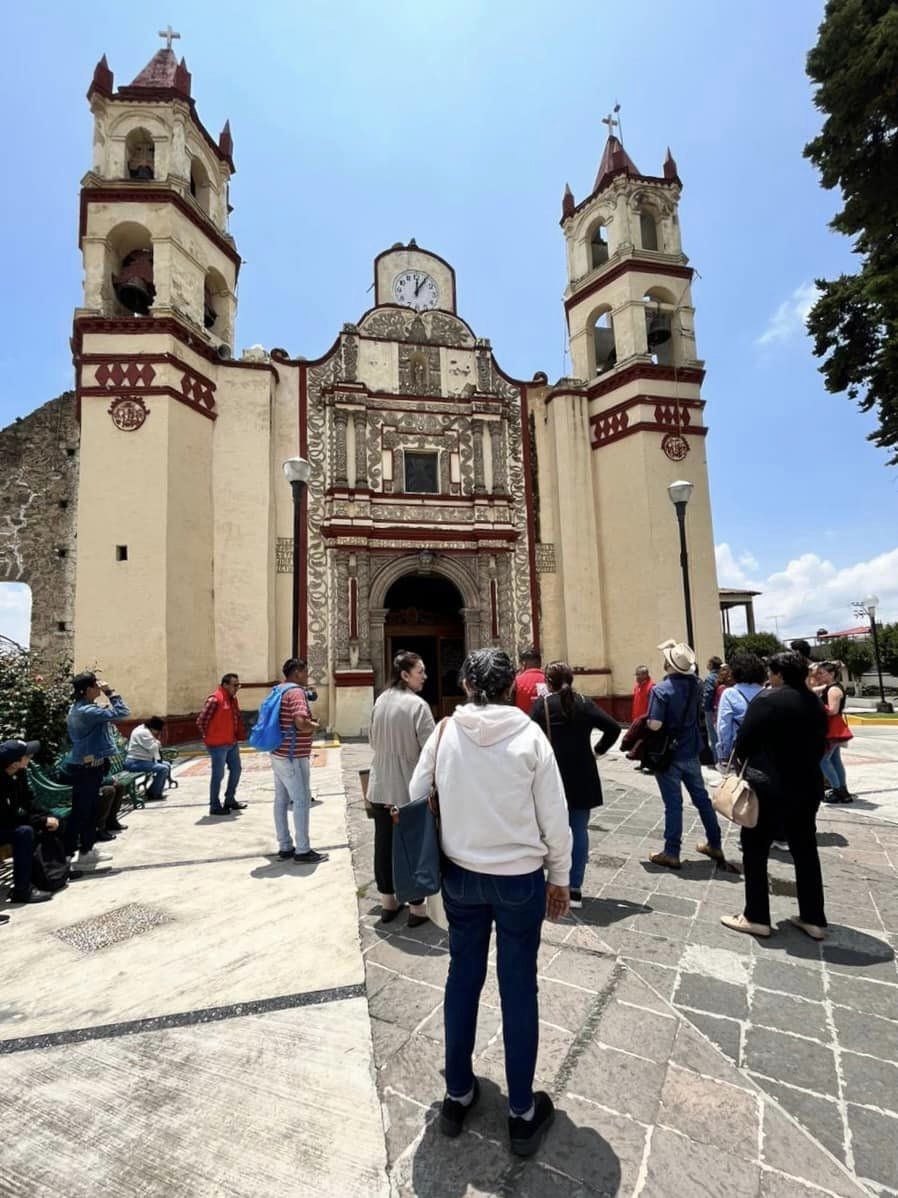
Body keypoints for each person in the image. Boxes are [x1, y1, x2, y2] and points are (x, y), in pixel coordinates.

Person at [409, 649, 571, 1157]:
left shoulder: (444, 732)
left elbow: (417, 793)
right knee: (519, 985)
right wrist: (561, 877)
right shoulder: (529, 736)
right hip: (520, 880)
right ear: (509, 688)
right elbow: (556, 816)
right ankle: (521, 1112)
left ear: (464, 683)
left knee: (463, 976)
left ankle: (457, 1093)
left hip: (460, 876)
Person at [721, 651, 829, 940]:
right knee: (805, 850)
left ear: (779, 674)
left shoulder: (767, 700)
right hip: (807, 786)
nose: (768, 676)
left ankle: (756, 916)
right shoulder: (815, 703)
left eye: (771, 672)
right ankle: (814, 918)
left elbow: (742, 743)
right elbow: (822, 746)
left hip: (769, 786)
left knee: (754, 848)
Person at [531, 661, 620, 908]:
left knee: (546, 831)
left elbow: (529, 739)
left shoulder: (543, 706)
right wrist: (598, 750)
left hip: (552, 777)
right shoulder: (584, 702)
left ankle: (549, 883)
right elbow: (613, 727)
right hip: (583, 775)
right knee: (579, 831)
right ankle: (575, 888)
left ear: (548, 682)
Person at [367, 650, 435, 926]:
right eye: (420, 671)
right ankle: (417, 909)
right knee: (413, 847)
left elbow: (372, 740)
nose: (425, 677)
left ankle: (388, 902)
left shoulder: (380, 700)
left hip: (380, 785)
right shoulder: (417, 706)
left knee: (383, 845)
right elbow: (431, 750)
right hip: (408, 788)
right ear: (405, 675)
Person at [646, 640, 724, 869]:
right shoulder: (696, 685)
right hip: (691, 749)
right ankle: (715, 843)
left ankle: (671, 851)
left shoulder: (661, 690)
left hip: (669, 753)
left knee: (673, 804)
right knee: (702, 799)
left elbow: (655, 724)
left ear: (668, 664)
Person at [61, 673, 130, 866]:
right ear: (87, 689)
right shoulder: (86, 712)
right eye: (96, 685)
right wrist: (111, 692)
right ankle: (68, 855)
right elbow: (123, 712)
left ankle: (87, 850)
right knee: (82, 812)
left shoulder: (82, 708)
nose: (99, 689)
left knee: (90, 810)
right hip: (86, 768)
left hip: (90, 766)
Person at [269, 658, 328, 864]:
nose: (307, 676)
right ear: (297, 673)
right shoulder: (296, 692)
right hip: (292, 755)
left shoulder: (278, 689)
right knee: (301, 800)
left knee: (281, 800)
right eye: (305, 672)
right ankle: (302, 850)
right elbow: (301, 723)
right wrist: (315, 726)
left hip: (279, 752)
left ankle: (285, 845)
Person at [0, 739, 56, 904]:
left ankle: (55, 872)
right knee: (24, 832)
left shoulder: (17, 773)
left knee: (53, 820)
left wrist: (45, 817)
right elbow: (8, 818)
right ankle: (21, 891)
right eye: (26, 755)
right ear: (15, 763)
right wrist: (41, 821)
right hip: (2, 825)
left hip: (7, 822)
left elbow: (27, 802)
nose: (30, 756)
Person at [197, 673, 246, 816]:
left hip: (231, 742)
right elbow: (201, 721)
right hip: (217, 744)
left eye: (238, 685)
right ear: (225, 685)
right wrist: (209, 736)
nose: (237, 688)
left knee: (236, 770)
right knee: (218, 775)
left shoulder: (232, 699)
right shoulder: (215, 700)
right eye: (234, 685)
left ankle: (230, 799)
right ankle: (214, 805)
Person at [715, 653, 765, 765]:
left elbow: (724, 727)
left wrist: (724, 754)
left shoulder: (730, 694)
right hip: (767, 750)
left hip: (742, 751)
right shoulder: (767, 692)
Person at [817, 661, 854, 803]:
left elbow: (833, 710)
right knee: (834, 760)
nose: (819, 676)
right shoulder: (830, 687)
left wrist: (817, 706)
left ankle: (838, 790)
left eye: (822, 673)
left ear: (831, 674)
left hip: (832, 729)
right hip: (834, 728)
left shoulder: (833, 690)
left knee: (823, 760)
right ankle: (842, 790)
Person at [124, 717, 172, 800]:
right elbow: (153, 747)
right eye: (158, 731)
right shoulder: (143, 732)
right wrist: (157, 741)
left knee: (166, 765)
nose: (158, 733)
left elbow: (155, 748)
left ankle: (155, 791)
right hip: (135, 763)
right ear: (154, 728)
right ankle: (154, 793)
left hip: (142, 761)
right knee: (163, 769)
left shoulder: (144, 730)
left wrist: (156, 743)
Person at [512, 647, 547, 715]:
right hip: (545, 724)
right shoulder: (548, 679)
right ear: (540, 663)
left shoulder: (516, 681)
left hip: (523, 723)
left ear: (523, 663)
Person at [701, 655, 723, 760]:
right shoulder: (723, 676)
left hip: (710, 710)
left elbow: (707, 694)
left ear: (711, 665)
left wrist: (703, 707)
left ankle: (717, 759)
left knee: (713, 736)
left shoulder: (710, 678)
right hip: (721, 708)